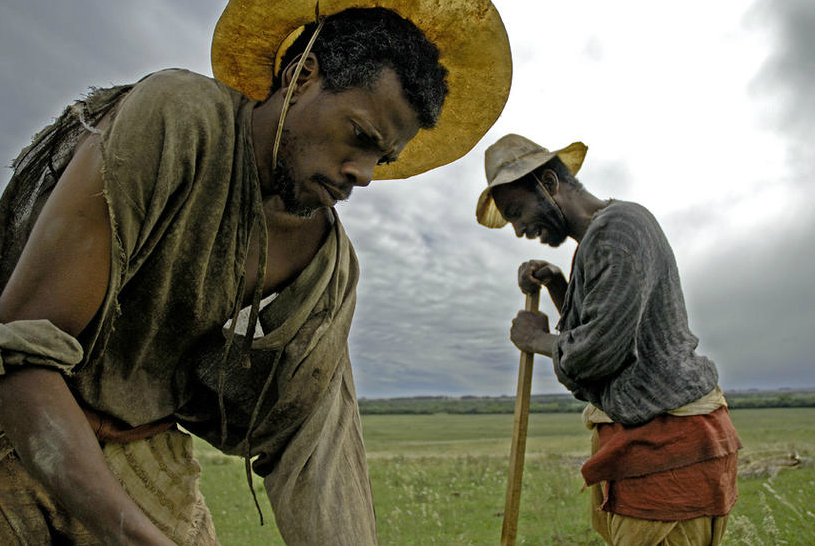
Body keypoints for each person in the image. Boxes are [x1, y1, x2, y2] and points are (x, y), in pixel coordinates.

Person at [0, 1, 511, 544]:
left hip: (146, 455)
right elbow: (20, 349)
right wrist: (130, 535)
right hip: (17, 432)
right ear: (301, 76)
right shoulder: (179, 121)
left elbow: (313, 443)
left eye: (381, 159)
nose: (362, 175)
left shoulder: (327, 262)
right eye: (360, 135)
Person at [475, 134, 741, 546]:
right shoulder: (597, 242)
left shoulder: (617, 230)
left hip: (667, 451)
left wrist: (537, 339)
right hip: (649, 448)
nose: (518, 230)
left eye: (516, 212)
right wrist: (559, 286)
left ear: (549, 183)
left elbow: (597, 353)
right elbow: (610, 328)